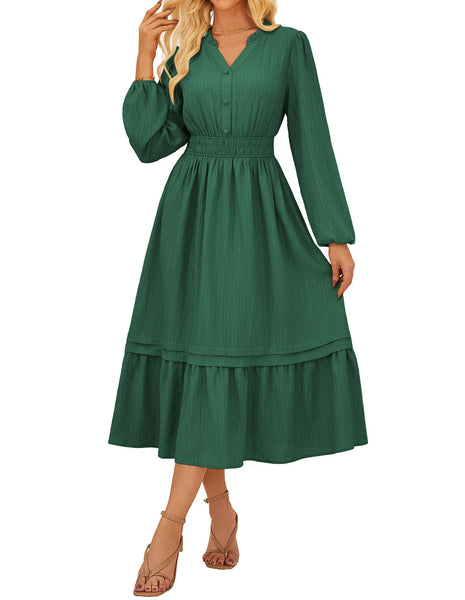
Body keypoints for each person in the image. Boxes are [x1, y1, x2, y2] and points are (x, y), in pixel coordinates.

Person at [108, 0, 369, 595]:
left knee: (218, 358)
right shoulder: (186, 49)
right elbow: (150, 144)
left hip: (259, 219)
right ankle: (219, 507)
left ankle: (168, 527)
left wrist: (334, 235)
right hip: (190, 221)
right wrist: (145, 55)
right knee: (206, 361)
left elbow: (311, 139)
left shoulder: (289, 45)